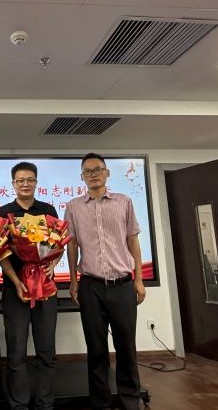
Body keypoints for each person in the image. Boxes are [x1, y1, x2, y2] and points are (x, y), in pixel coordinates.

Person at [64, 153, 146, 410]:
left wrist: (139, 279)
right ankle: (100, 404)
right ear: (82, 177)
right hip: (90, 286)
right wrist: (74, 281)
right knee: (96, 349)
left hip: (122, 285)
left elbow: (133, 240)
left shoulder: (124, 202)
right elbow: (71, 245)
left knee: (126, 347)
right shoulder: (73, 206)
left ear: (107, 173)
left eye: (98, 169)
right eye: (88, 171)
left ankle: (130, 400)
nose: (93, 174)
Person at [0, 162, 59, 410]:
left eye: (30, 179)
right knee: (16, 353)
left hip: (45, 289)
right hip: (15, 291)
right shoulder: (4, 212)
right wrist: (16, 281)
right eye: (20, 180)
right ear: (13, 184)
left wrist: (52, 265)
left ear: (36, 182)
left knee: (47, 351)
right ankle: (19, 405)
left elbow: (58, 244)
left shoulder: (48, 210)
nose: (25, 184)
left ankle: (45, 403)